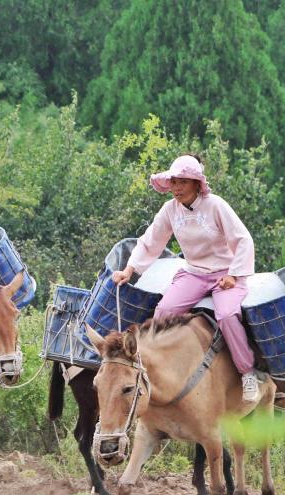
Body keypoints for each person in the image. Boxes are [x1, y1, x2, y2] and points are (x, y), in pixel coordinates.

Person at [112, 154, 261, 400]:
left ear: (196, 183)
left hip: (226, 274)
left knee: (227, 316)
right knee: (163, 313)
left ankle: (248, 374)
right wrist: (129, 269)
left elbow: (243, 240)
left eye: (182, 182)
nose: (176, 188)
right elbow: (151, 241)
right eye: (173, 182)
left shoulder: (216, 205)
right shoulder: (170, 210)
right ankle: (161, 370)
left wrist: (234, 275)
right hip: (194, 272)